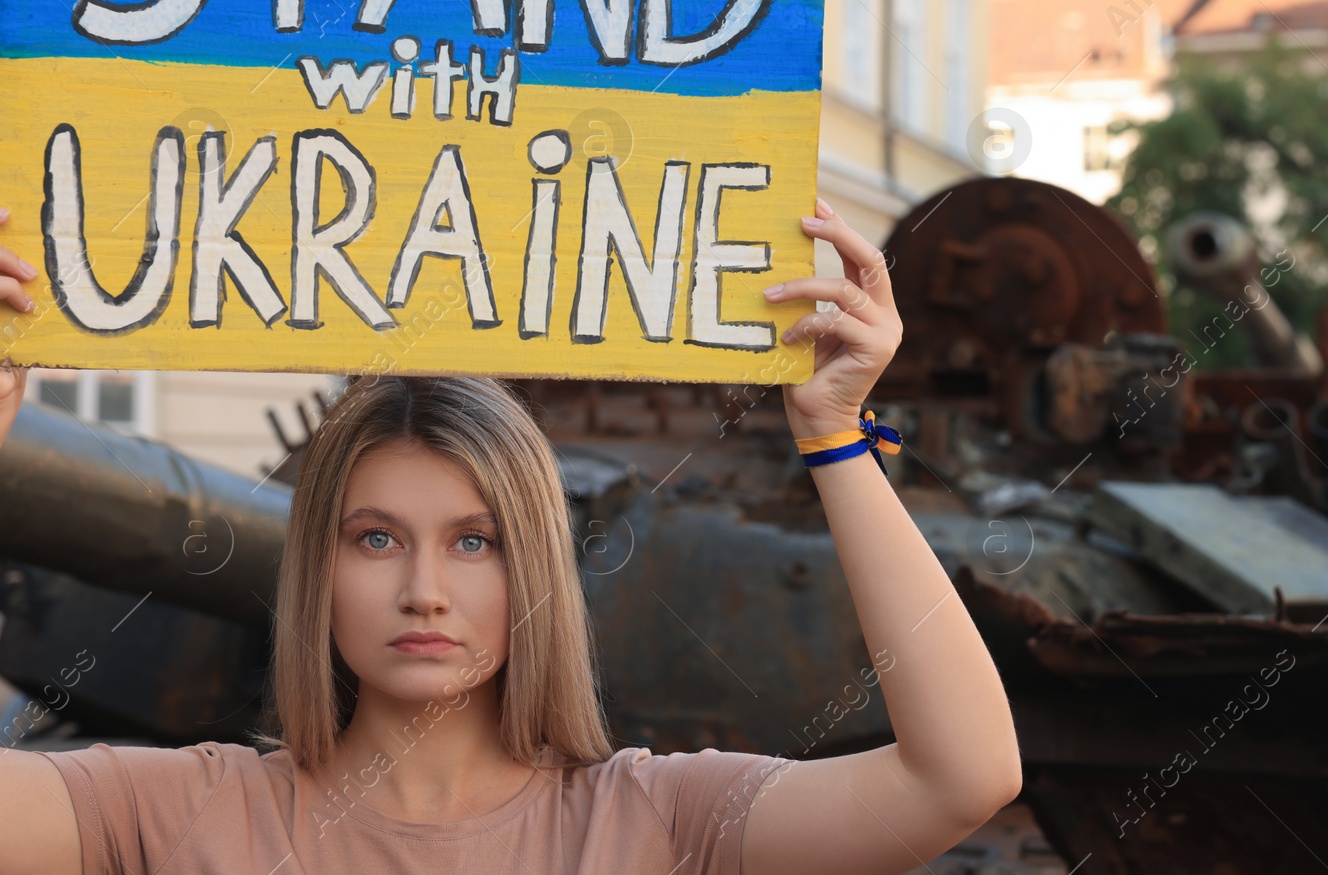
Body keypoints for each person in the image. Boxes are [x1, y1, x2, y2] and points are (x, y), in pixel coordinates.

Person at [0, 197, 1022, 875]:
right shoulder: (185, 807)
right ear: (316, 571)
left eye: (476, 541)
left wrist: (835, 435)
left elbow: (961, 775)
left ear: (533, 566)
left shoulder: (649, 818)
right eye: (374, 538)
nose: (426, 588)